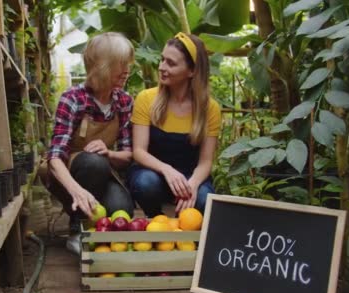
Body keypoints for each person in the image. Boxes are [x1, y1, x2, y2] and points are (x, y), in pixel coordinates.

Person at [44, 32, 135, 253]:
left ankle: (97, 224)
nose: (127, 70)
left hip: (105, 170)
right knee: (93, 163)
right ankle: (77, 228)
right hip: (70, 173)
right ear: (103, 66)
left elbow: (128, 155)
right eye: (120, 64)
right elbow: (54, 158)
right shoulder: (73, 99)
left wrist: (109, 154)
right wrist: (76, 191)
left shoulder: (123, 101)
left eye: (128, 64)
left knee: (122, 210)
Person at [127, 32, 221, 217]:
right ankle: (156, 220)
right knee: (146, 184)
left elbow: (205, 162)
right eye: (162, 60)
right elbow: (138, 152)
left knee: (204, 198)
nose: (161, 67)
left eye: (171, 63)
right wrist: (167, 170)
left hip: (189, 176)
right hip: (154, 173)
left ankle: (186, 227)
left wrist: (192, 185)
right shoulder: (146, 98)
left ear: (192, 71)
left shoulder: (209, 108)